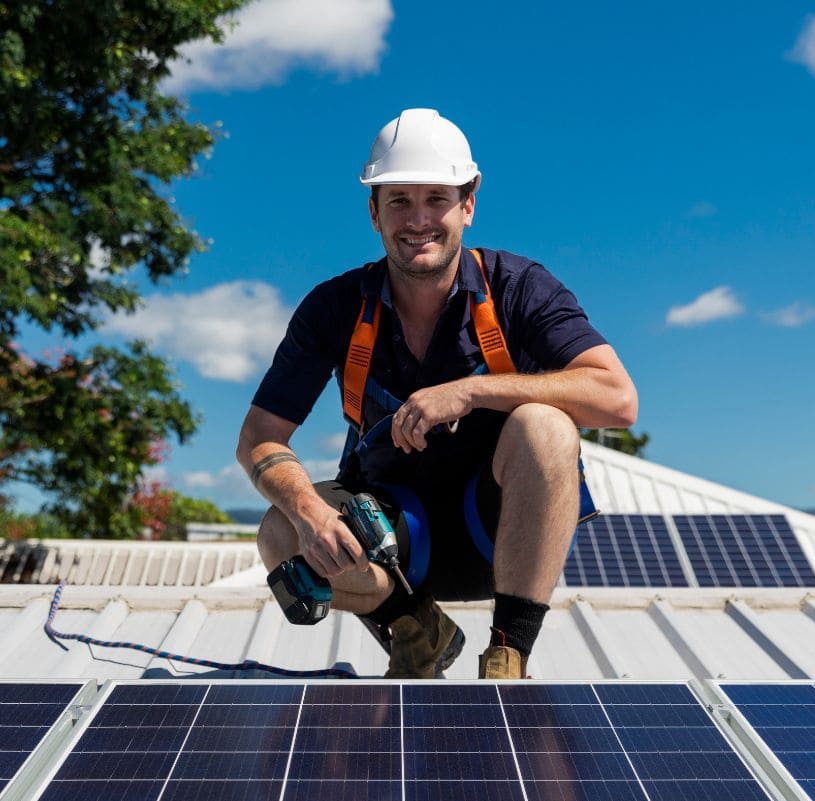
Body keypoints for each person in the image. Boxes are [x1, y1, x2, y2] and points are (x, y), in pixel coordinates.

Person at [237, 108, 637, 679]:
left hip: (499, 530)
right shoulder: (334, 308)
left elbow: (618, 398)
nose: (418, 219)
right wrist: (306, 512)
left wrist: (471, 393)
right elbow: (258, 437)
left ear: (468, 205)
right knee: (279, 530)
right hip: (396, 547)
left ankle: (508, 656)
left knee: (547, 427)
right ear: (373, 212)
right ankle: (417, 631)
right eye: (398, 200)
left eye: (436, 199)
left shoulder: (518, 288)